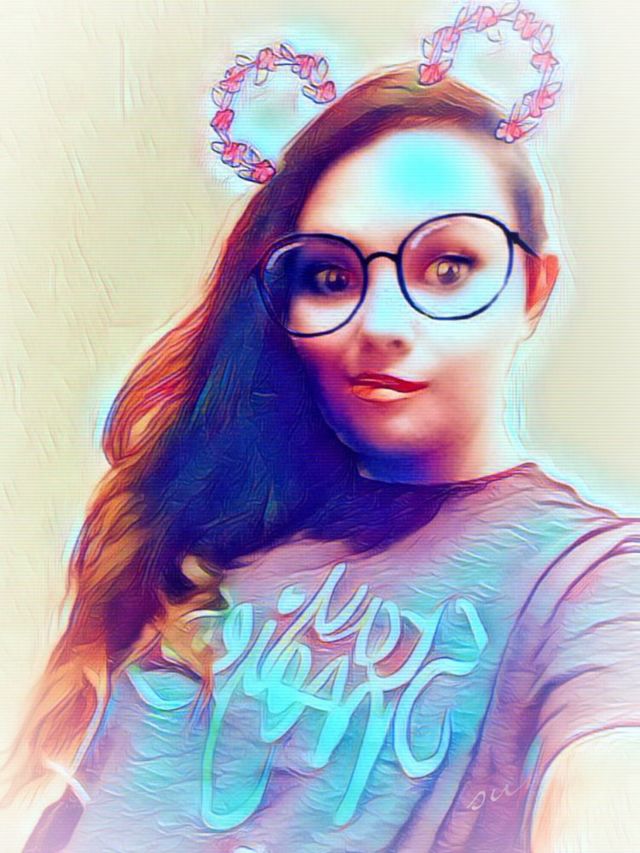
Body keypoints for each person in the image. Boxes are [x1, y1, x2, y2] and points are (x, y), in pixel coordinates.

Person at [7, 59, 640, 853]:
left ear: (533, 289)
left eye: (449, 267)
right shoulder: (229, 522)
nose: (382, 324)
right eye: (332, 275)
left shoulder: (588, 577)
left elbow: (609, 778)